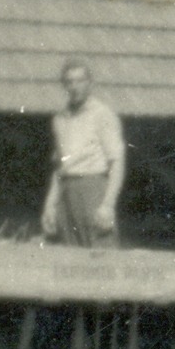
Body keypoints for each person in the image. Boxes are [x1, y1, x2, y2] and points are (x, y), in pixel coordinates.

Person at [40, 59, 126, 247]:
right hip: (66, 193)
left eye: (79, 81)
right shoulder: (60, 119)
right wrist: (50, 204)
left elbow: (117, 162)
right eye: (69, 82)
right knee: (68, 255)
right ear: (64, 85)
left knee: (102, 254)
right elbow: (59, 168)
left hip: (93, 189)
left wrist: (108, 204)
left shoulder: (102, 114)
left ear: (90, 83)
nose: (75, 87)